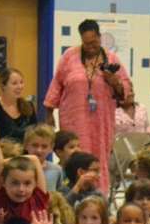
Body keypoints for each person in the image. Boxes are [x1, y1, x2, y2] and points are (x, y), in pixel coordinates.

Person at [43, 17, 131, 192]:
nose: (91, 46)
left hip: (101, 121)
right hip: (73, 118)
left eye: (94, 42)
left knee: (99, 158)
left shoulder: (111, 58)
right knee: (74, 155)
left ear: (99, 37)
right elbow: (56, 84)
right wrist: (48, 114)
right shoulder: (69, 56)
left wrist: (113, 81)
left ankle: (99, 196)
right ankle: (71, 193)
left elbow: (125, 92)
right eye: (87, 43)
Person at [0, 67, 35, 144]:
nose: (19, 87)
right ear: (3, 85)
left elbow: (35, 133)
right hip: (4, 153)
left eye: (21, 82)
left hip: (27, 154)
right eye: (14, 83)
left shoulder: (29, 106)